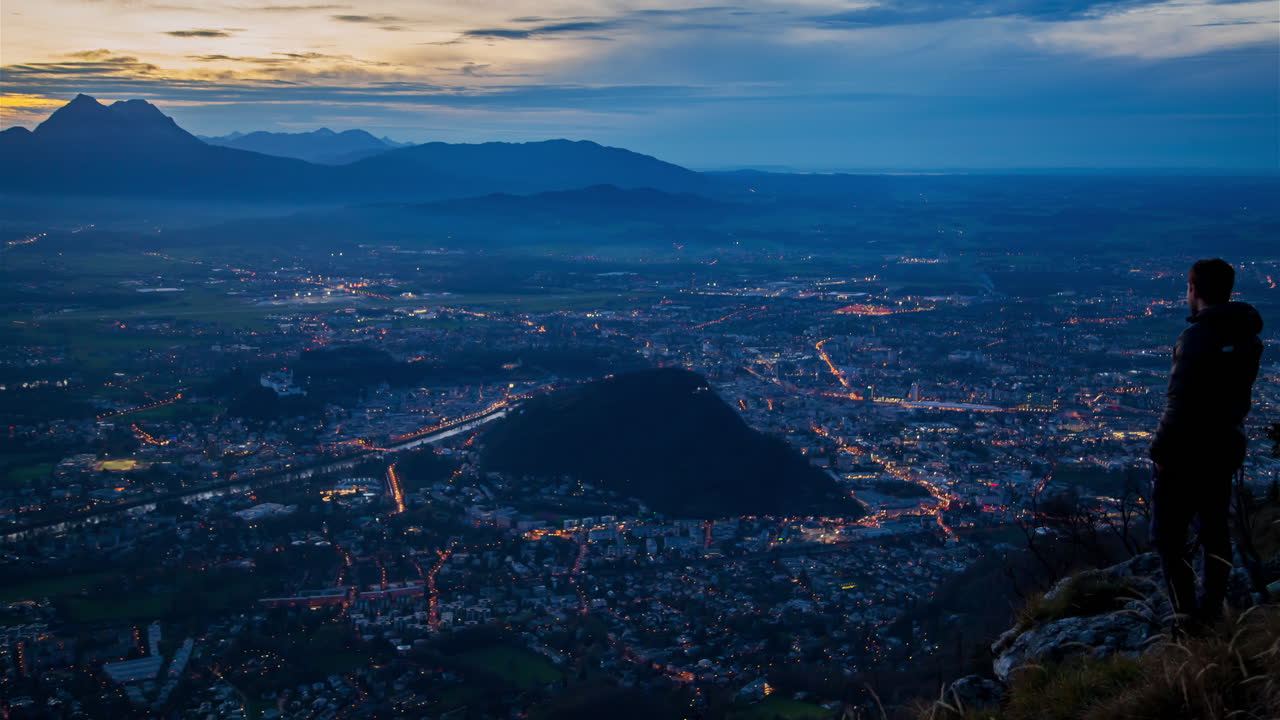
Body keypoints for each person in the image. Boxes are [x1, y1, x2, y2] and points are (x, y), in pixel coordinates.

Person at [1149, 258, 1263, 630]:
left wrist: (1160, 451)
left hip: (1186, 450)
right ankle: (1213, 606)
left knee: (1168, 535)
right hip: (1226, 443)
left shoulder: (1197, 337)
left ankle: (1185, 615)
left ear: (1193, 289)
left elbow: (1179, 401)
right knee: (1214, 526)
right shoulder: (1247, 336)